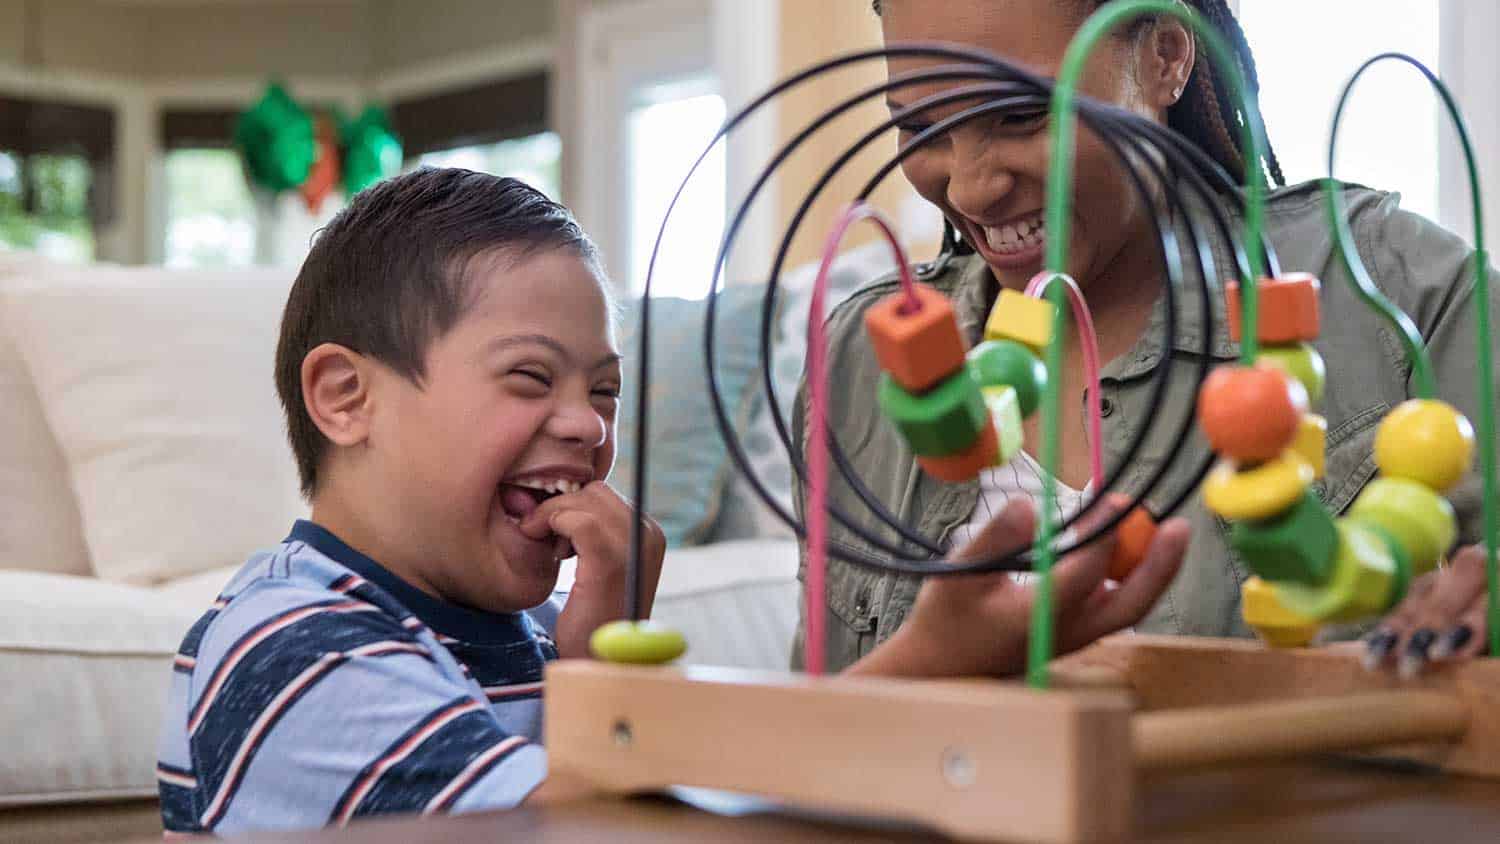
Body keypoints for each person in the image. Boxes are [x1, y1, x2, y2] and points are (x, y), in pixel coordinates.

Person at [156, 168, 1188, 836]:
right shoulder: (294, 646)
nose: (587, 426)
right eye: (530, 378)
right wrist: (922, 666)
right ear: (348, 398)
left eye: (602, 390)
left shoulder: (529, 627)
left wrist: (592, 668)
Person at [795, 0, 1494, 676]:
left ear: (1166, 57)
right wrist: (924, 666)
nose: (972, 190)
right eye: (920, 126)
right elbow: (812, 750)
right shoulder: (853, 363)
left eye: (1019, 114)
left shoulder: (1400, 290)